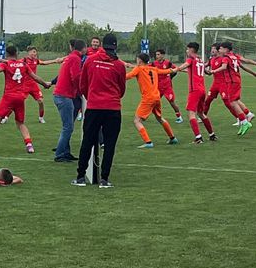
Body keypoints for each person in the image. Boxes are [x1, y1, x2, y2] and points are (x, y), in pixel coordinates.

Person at [0, 45, 47, 155]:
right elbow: (35, 77)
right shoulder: (24, 64)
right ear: (17, 53)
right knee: (20, 123)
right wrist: (45, 84)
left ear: (7, 54)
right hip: (20, 97)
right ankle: (29, 145)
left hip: (9, 97)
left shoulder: (6, 64)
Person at [73, 34, 127, 188]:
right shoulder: (119, 65)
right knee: (110, 145)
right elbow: (122, 89)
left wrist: (92, 97)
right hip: (113, 109)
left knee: (87, 142)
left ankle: (81, 177)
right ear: (115, 47)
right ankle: (104, 179)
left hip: (94, 107)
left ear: (103, 45)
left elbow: (83, 84)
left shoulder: (90, 60)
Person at [125, 53, 178, 148]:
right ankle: (172, 138)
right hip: (156, 97)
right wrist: (172, 70)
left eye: (137, 59)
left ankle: (148, 142)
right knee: (159, 118)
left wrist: (115, 77)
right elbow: (164, 71)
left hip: (148, 99)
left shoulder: (139, 68)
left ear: (140, 60)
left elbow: (128, 76)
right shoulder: (153, 69)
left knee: (137, 120)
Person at [52, 39, 86, 162]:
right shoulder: (75, 59)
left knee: (68, 126)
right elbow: (76, 77)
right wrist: (82, 89)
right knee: (68, 127)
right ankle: (60, 154)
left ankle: (65, 152)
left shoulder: (70, 57)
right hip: (64, 96)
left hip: (62, 95)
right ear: (83, 48)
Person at [178, 42, 216, 144]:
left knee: (191, 113)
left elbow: (184, 65)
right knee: (201, 113)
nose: (186, 51)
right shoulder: (200, 60)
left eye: (187, 49)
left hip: (194, 90)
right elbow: (207, 72)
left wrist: (174, 69)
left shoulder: (191, 59)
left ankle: (198, 138)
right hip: (202, 90)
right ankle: (212, 135)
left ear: (191, 49)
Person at [23, 46, 61, 124]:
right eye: (33, 52)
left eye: (35, 52)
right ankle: (5, 117)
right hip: (24, 84)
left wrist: (55, 61)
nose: (35, 53)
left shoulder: (36, 61)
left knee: (40, 101)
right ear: (29, 52)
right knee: (17, 101)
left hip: (33, 84)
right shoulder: (24, 60)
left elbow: (44, 62)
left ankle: (41, 118)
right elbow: (14, 63)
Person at [152, 49, 184, 123]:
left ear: (162, 55)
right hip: (158, 86)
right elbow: (147, 69)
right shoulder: (154, 63)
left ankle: (179, 117)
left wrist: (170, 77)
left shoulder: (168, 63)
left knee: (172, 102)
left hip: (167, 86)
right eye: (156, 54)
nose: (157, 56)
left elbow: (175, 69)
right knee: (153, 101)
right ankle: (155, 116)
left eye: (158, 54)